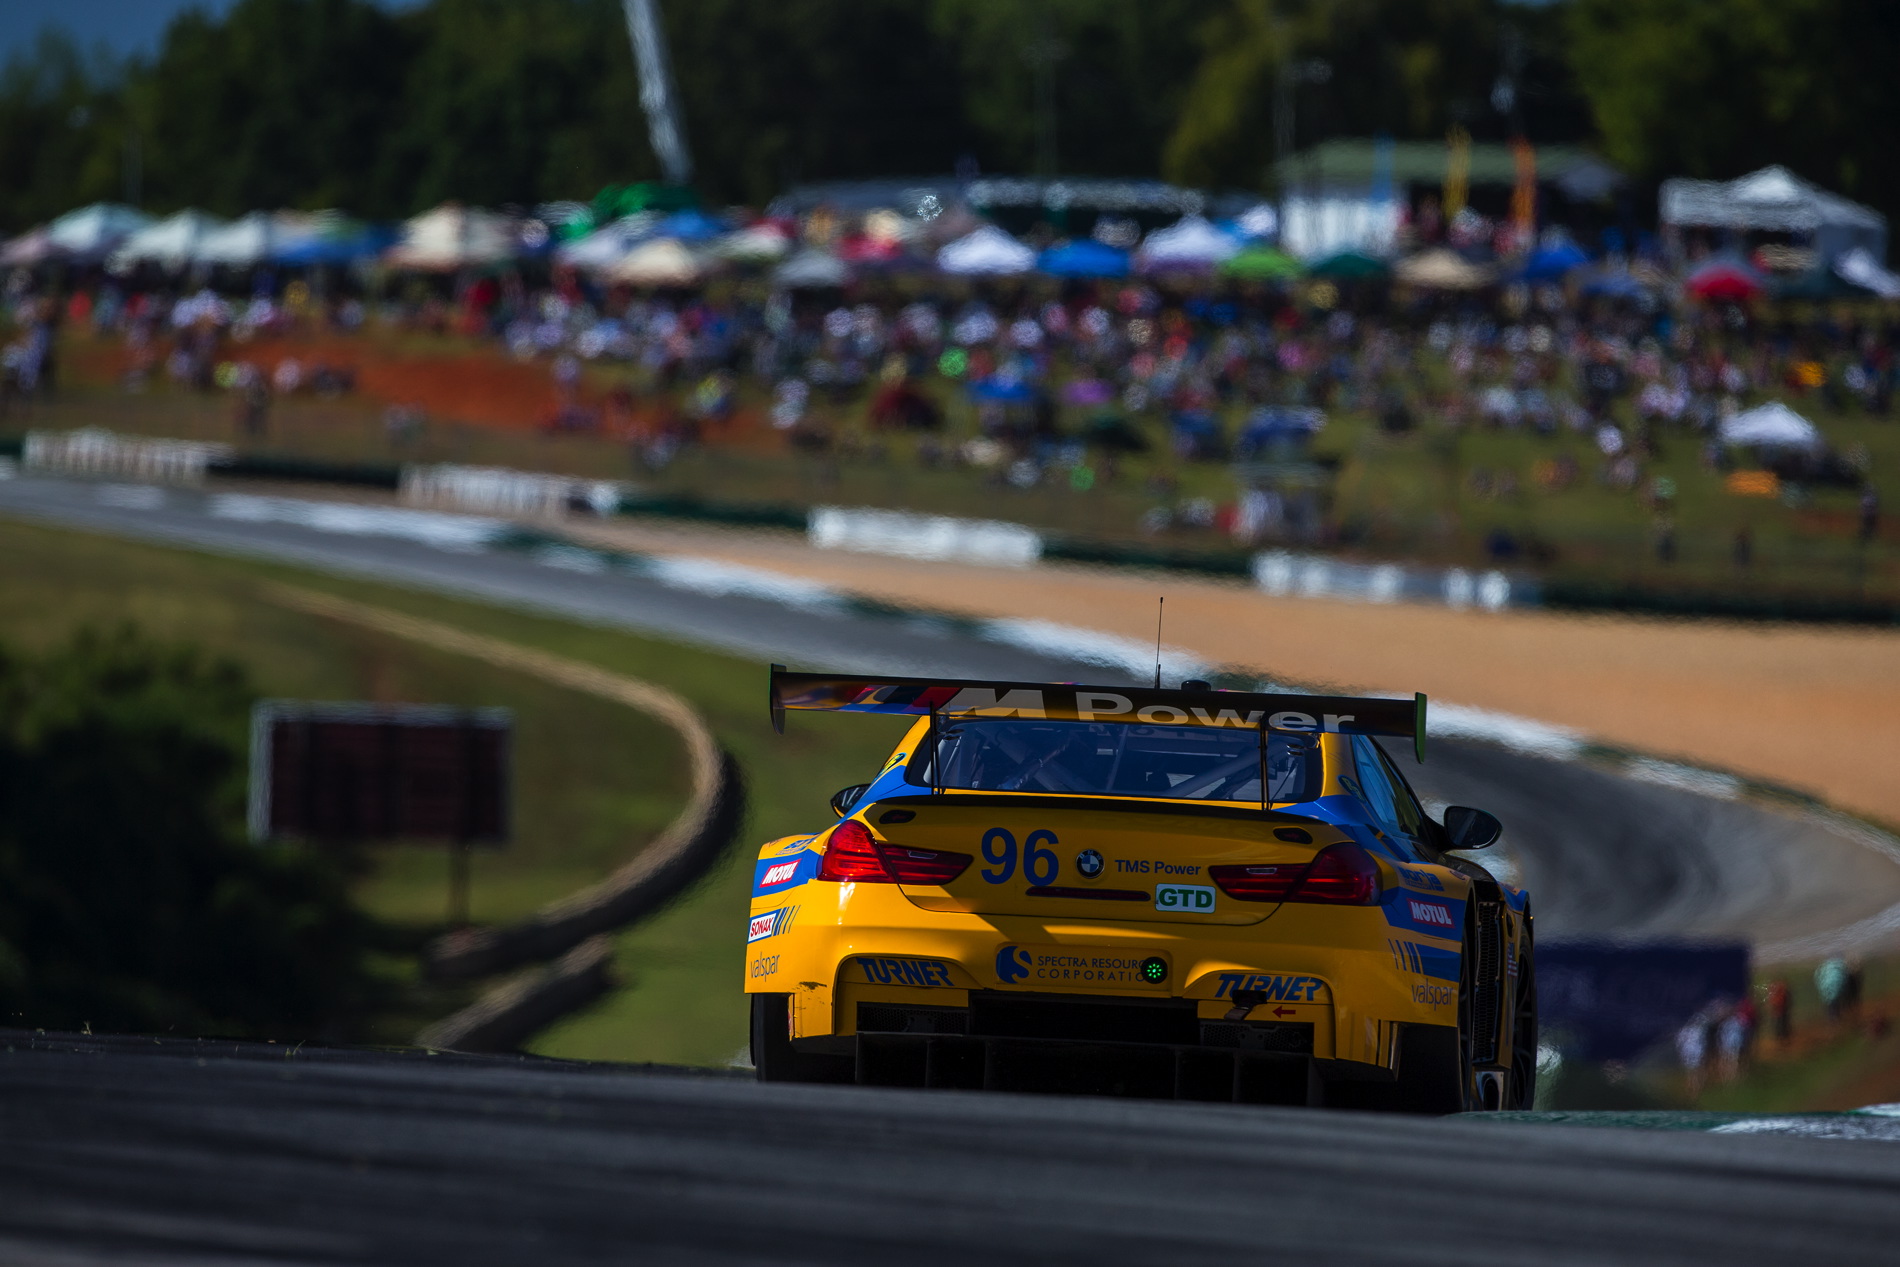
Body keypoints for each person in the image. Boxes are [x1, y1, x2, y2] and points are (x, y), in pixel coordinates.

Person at [1676, 1011, 1711, 1098]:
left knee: (1691, 1071)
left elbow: (1679, 1043)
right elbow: (1702, 1041)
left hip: (1689, 1051)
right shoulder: (1698, 1030)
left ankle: (1693, 1088)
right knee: (1695, 1070)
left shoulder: (1685, 1030)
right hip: (1695, 1051)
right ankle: (1695, 1087)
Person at [1817, 957, 1849, 1023]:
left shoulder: (1825, 968)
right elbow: (1843, 979)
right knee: (1835, 1003)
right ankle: (1835, 1017)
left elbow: (1819, 977)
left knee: (1830, 1004)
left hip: (1827, 989)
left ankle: (1832, 1017)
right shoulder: (1839, 969)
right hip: (1835, 989)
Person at [1766, 978, 1792, 1043]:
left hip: (1780, 1010)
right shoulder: (1780, 992)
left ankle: (1781, 1036)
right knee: (1781, 1023)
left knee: (1780, 1023)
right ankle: (1782, 1036)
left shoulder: (1777, 992)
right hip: (1780, 1010)